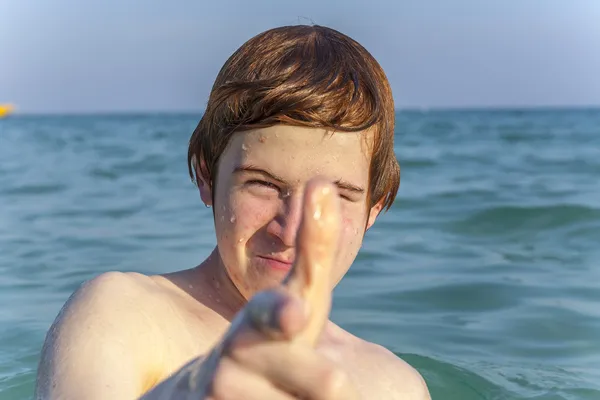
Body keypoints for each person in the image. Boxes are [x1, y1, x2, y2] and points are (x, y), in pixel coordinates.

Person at [35, 25, 431, 399]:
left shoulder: (393, 385)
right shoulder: (123, 314)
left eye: (333, 197)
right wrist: (188, 390)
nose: (292, 231)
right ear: (207, 177)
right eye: (262, 184)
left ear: (373, 209)